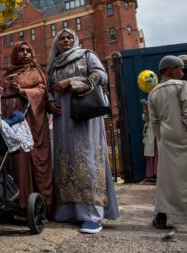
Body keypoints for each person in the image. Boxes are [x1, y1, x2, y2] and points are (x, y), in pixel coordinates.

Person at [46, 28, 119, 234]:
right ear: (57, 43)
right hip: (61, 117)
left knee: (86, 156)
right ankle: (68, 211)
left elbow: (101, 75)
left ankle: (92, 214)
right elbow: (49, 88)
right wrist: (50, 101)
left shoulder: (86, 55)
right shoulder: (54, 64)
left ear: (75, 40)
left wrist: (71, 82)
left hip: (84, 114)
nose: (66, 40)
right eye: (62, 38)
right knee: (65, 157)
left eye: (69, 37)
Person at [3, 41, 54, 218]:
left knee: (37, 157)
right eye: (21, 50)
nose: (25, 53)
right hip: (14, 122)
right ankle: (18, 203)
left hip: (34, 122)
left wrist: (23, 91)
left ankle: (43, 205)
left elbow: (42, 91)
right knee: (18, 159)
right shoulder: (8, 73)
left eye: (28, 51)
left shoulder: (37, 71)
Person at [148, 55, 187, 229]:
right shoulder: (183, 86)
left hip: (166, 138)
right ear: (172, 69)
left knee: (166, 179)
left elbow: (154, 122)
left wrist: (162, 138)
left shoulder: (153, 92)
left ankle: (162, 217)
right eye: (181, 68)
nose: (183, 71)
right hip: (184, 135)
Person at [140, 99, 158, 183]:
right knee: (150, 154)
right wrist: (146, 110)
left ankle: (158, 174)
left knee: (158, 154)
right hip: (150, 132)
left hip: (158, 132)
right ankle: (150, 175)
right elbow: (145, 119)